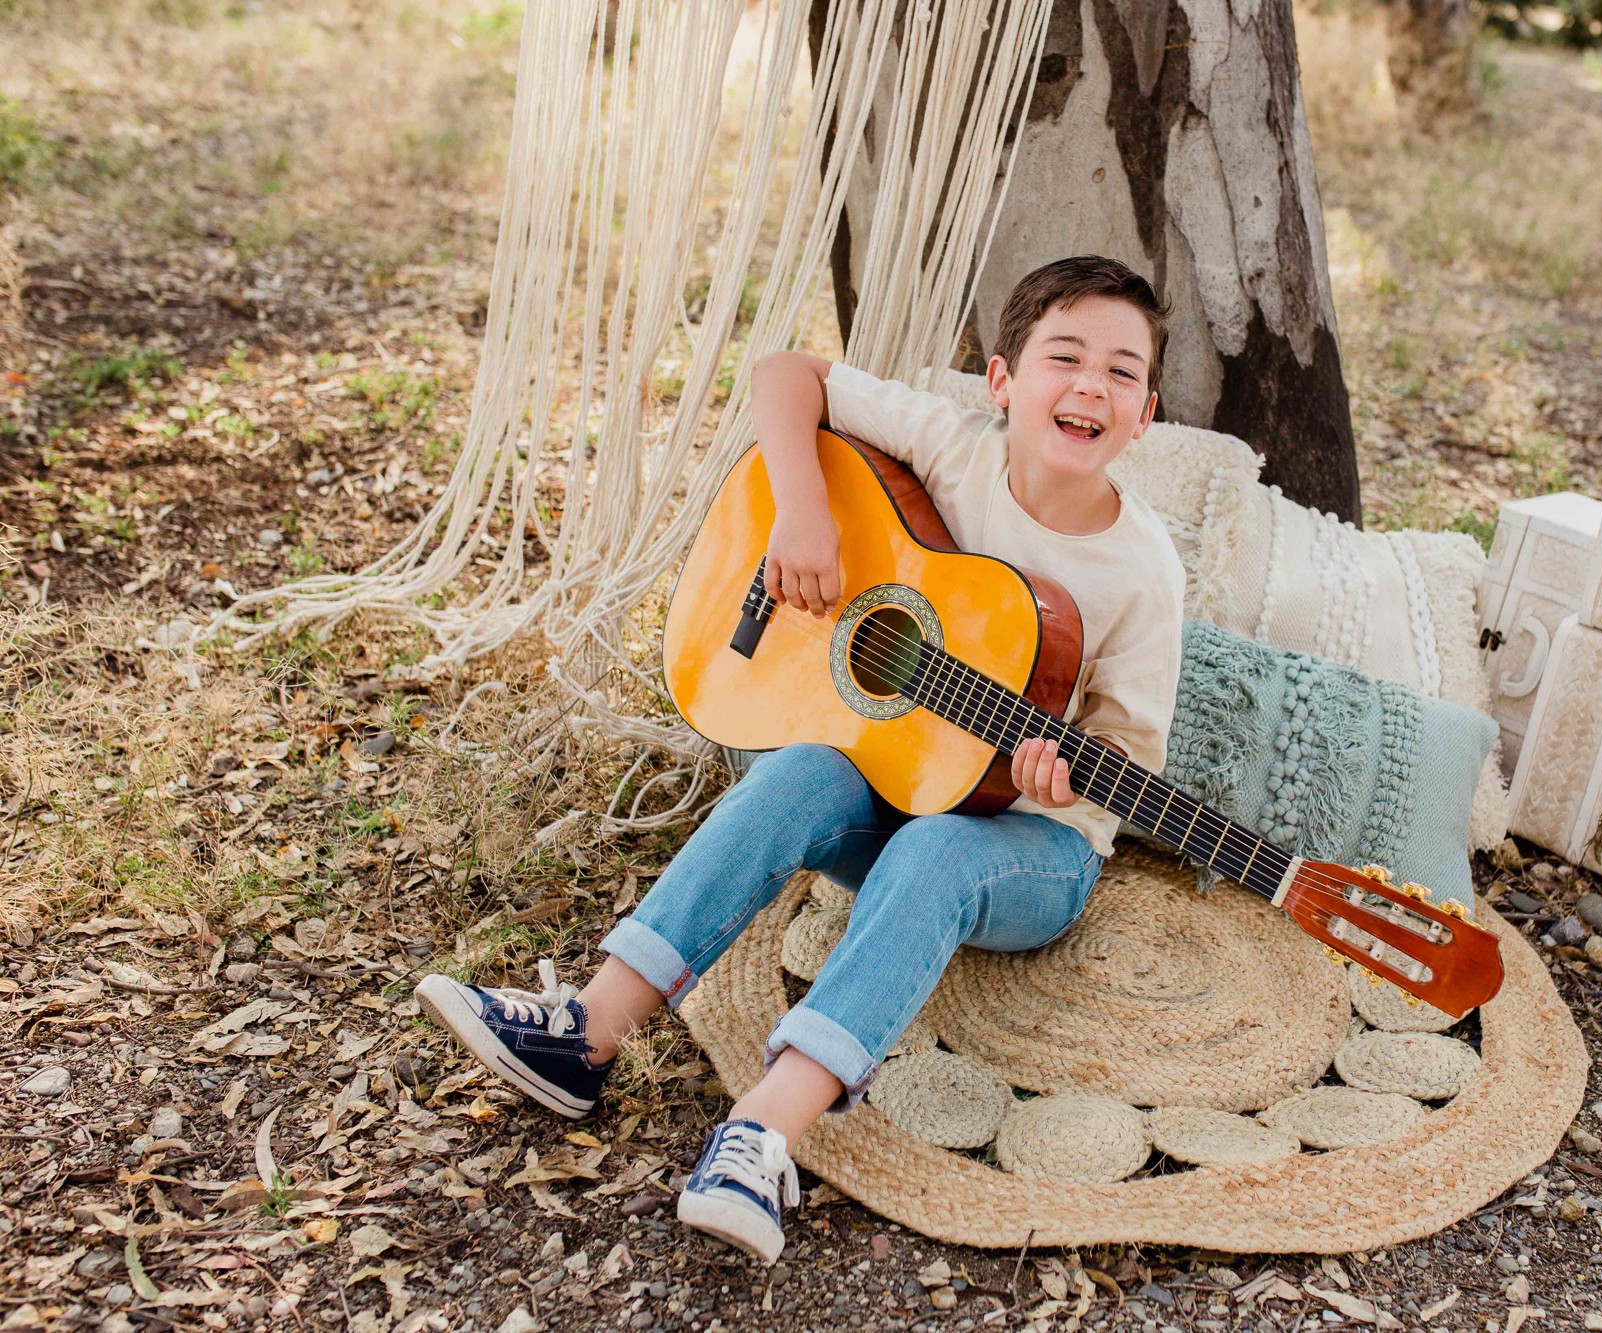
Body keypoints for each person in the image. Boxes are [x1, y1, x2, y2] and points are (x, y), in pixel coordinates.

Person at [414, 255, 1187, 1264]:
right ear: (1001, 381)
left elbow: (1126, 753)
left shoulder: (1143, 571)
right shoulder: (952, 447)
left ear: (1144, 414)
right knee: (798, 770)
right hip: (897, 784)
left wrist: (1062, 775)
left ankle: (763, 1132)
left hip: (1032, 851)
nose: (1090, 384)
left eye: (1120, 372)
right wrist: (802, 509)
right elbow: (786, 372)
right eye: (1065, 356)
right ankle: (583, 1031)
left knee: (938, 852)